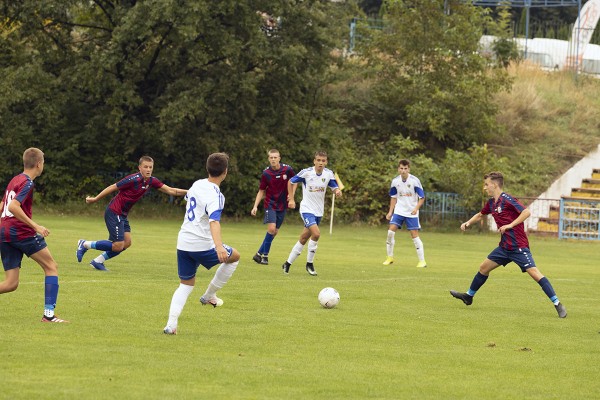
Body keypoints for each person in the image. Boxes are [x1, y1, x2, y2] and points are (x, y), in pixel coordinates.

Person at [450, 171, 567, 318]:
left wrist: (510, 225)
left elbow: (526, 212)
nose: (485, 188)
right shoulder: (491, 203)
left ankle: (558, 304)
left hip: (518, 247)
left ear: (494, 185)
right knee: (484, 268)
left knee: (535, 273)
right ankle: (469, 296)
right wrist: (467, 223)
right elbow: (480, 215)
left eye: (486, 184)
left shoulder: (508, 200)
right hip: (504, 247)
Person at [163, 153, 240, 335]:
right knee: (235, 257)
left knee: (186, 285)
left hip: (183, 243)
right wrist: (219, 246)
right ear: (225, 172)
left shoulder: (197, 184)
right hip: (202, 245)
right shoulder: (217, 195)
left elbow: (190, 200)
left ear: (207, 168)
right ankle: (209, 295)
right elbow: (214, 221)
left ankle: (171, 325)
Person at [76, 156, 187, 271]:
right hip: (114, 211)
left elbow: (171, 190)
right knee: (118, 245)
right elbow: (113, 187)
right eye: (145, 167)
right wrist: (95, 199)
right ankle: (85, 244)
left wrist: (191, 192)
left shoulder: (151, 181)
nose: (148, 169)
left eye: (150, 167)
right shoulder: (133, 179)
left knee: (127, 243)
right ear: (139, 168)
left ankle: (97, 261)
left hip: (122, 214)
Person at [0, 148, 67, 322]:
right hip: (20, 232)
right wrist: (36, 226)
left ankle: (49, 315)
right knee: (51, 266)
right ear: (38, 164)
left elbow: (3, 205)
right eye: (43, 162)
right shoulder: (27, 183)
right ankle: (49, 315)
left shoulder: (15, 179)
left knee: (10, 284)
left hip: (4, 232)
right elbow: (12, 206)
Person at [281, 151, 342, 276]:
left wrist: (337, 191)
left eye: (323, 161)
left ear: (326, 162)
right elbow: (291, 182)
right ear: (314, 161)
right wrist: (291, 199)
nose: (320, 163)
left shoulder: (328, 174)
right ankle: (309, 264)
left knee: (303, 238)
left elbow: (334, 186)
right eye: (318, 160)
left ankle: (287, 263)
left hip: (318, 211)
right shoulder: (307, 172)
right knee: (316, 234)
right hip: (306, 209)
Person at [250, 149, 295, 265]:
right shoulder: (266, 173)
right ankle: (265, 256)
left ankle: (258, 254)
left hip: (282, 205)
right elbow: (261, 191)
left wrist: (291, 195)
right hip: (270, 204)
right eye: (271, 157)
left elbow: (295, 182)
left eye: (275, 157)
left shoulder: (287, 169)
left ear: (279, 158)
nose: (273, 159)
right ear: (268, 159)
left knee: (274, 232)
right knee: (271, 229)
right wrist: (255, 206)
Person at [383, 159, 427, 268]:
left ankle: (422, 261)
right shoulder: (395, 181)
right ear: (398, 169)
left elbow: (422, 197)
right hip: (399, 211)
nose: (403, 170)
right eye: (401, 168)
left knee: (414, 236)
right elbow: (393, 197)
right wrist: (390, 212)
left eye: (405, 168)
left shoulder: (415, 181)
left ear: (409, 169)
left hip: (411, 212)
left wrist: (416, 208)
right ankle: (389, 257)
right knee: (390, 232)